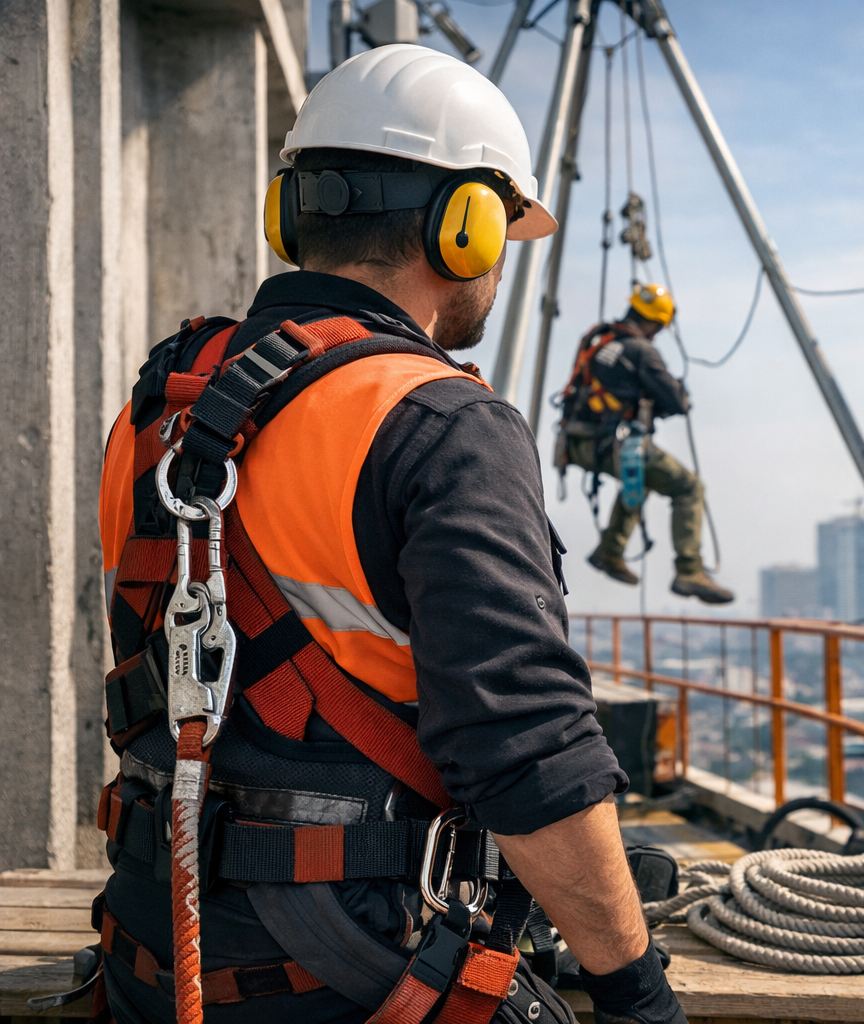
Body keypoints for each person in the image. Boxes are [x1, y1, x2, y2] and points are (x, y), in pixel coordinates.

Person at [95, 45, 685, 1024]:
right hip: (348, 978)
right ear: (466, 226)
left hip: (155, 962)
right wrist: (638, 992)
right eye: (501, 228)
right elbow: (527, 753)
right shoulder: (438, 422)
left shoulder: (160, 409)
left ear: (292, 215)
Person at [556, 285, 734, 605]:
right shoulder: (641, 351)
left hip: (577, 442)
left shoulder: (599, 340)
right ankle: (689, 570)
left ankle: (610, 551)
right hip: (612, 444)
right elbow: (676, 401)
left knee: (641, 480)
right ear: (655, 323)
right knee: (688, 487)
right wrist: (674, 393)